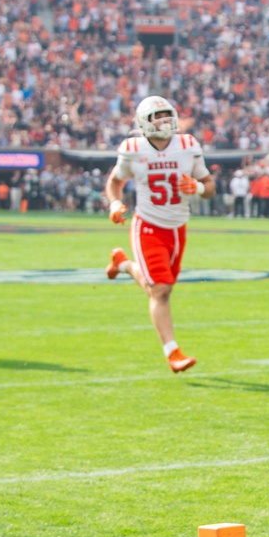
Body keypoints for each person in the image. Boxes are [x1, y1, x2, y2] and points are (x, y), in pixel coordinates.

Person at [103, 96, 215, 373]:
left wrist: (198, 189)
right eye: (158, 117)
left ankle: (125, 264)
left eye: (168, 115)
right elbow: (115, 181)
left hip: (178, 228)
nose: (165, 121)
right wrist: (115, 203)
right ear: (144, 122)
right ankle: (172, 352)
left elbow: (209, 184)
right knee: (161, 290)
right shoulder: (132, 149)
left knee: (159, 288)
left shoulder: (187, 145)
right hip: (148, 226)